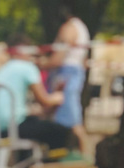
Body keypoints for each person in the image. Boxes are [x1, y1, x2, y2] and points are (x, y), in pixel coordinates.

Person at [0, 35, 74, 150]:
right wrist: (57, 97)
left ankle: (24, 163)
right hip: (14, 128)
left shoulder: (2, 69)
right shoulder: (27, 67)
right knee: (60, 131)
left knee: (34, 123)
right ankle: (50, 165)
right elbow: (45, 101)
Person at [45, 4, 90, 147]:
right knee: (70, 118)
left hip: (66, 74)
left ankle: (86, 157)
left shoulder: (69, 28)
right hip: (74, 72)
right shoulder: (82, 27)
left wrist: (42, 64)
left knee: (72, 120)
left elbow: (59, 57)